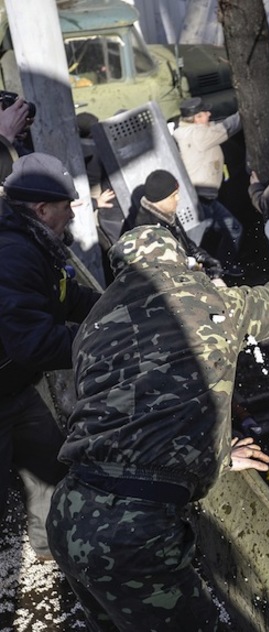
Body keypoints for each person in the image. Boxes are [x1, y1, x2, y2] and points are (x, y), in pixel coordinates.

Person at [46, 225, 269, 631]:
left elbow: (131, 419)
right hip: (132, 533)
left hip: (68, 511)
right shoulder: (201, 300)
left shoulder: (95, 323)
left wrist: (214, 454)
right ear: (174, 259)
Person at [0, 152, 100, 562]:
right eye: (67, 206)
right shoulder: (13, 254)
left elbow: (68, 297)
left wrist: (119, 309)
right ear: (42, 209)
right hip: (6, 385)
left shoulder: (38, 244)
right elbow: (33, 342)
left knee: (47, 464)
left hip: (16, 388)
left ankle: (47, 547)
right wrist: (100, 341)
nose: (72, 214)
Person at [172, 96, 244, 273]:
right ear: (196, 118)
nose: (209, 114)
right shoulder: (197, 134)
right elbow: (228, 127)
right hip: (199, 200)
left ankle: (221, 268)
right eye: (205, 113)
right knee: (194, 246)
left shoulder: (188, 132)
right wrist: (244, 113)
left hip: (206, 198)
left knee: (233, 229)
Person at [122, 169, 226, 283]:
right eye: (173, 195)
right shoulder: (149, 232)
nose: (178, 199)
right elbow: (166, 275)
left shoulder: (167, 214)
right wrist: (197, 273)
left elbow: (187, 244)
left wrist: (209, 263)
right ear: (160, 200)